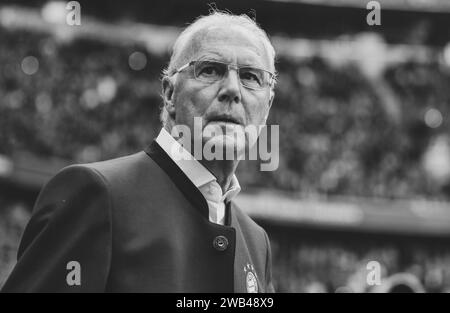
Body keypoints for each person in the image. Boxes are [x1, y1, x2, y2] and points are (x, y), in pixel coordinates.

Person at [2, 10, 277, 293]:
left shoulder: (257, 242)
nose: (232, 89)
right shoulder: (96, 194)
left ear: (266, 108)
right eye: (210, 70)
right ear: (170, 94)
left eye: (251, 77)